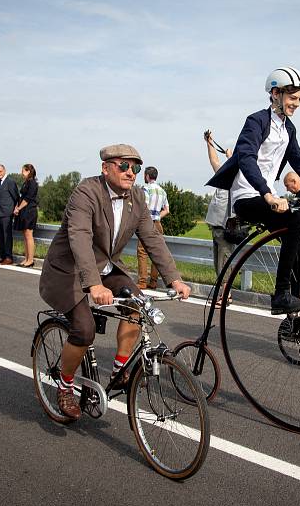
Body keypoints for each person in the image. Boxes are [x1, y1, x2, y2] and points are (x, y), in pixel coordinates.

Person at [39, 144, 191, 421]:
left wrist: (175, 279)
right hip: (70, 269)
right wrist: (94, 285)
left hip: (105, 266)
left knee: (138, 306)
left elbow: (153, 239)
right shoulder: (86, 193)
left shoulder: (136, 198)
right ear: (105, 167)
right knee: (84, 331)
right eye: (124, 165)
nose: (130, 172)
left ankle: (120, 372)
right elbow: (80, 239)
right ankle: (65, 385)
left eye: (136, 167)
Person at [207, 66, 300, 314]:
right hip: (248, 197)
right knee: (296, 219)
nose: (297, 104)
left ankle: (297, 313)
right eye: (292, 97)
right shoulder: (256, 121)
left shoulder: (288, 129)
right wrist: (267, 193)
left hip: (269, 198)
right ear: (276, 93)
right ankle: (281, 294)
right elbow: (245, 158)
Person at [203, 130, 236, 306]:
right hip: (216, 226)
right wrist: (209, 143)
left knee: (225, 262)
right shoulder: (224, 177)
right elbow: (214, 161)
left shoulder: (238, 179)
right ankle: (224, 293)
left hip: (226, 227)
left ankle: (226, 294)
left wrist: (231, 158)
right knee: (218, 263)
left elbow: (236, 167)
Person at [136, 166, 168, 289]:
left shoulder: (145, 189)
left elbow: (144, 207)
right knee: (157, 252)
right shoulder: (162, 191)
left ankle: (142, 282)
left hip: (147, 223)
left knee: (142, 252)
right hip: (158, 224)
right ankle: (153, 282)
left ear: (147, 176)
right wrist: (157, 217)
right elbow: (167, 210)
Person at [13, 163, 38, 268]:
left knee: (29, 235)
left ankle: (30, 260)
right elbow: (21, 197)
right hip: (24, 211)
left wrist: (19, 208)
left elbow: (28, 199)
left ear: (28, 171)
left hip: (29, 211)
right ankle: (26, 258)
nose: (21, 173)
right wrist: (16, 207)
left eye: (23, 171)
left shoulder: (32, 183)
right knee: (25, 236)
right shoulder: (26, 182)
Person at [0, 164, 19, 265]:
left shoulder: (10, 182)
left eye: (0, 171)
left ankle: (8, 257)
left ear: (4, 171)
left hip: (7, 213)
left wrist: (14, 210)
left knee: (7, 236)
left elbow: (16, 197)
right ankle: (2, 255)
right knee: (0, 236)